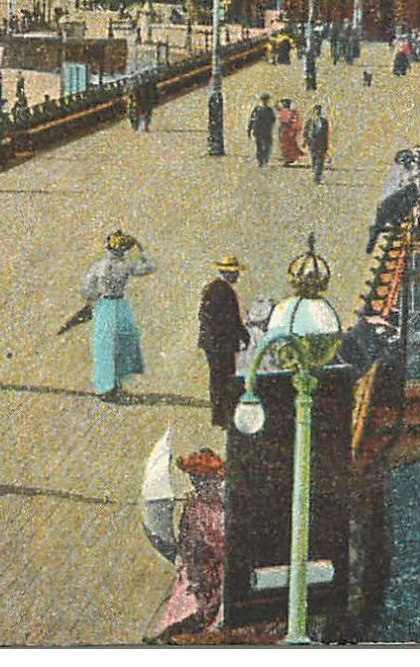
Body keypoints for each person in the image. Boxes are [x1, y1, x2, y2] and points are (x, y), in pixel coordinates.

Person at [146, 449, 228, 642]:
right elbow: (191, 538)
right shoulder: (194, 508)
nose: (207, 486)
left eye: (211, 481)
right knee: (187, 602)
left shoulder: (222, 506)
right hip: (198, 565)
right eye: (201, 482)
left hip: (218, 565)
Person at [81, 230, 155, 402]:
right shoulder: (126, 266)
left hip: (104, 305)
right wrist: (142, 249)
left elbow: (86, 289)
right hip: (119, 305)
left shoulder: (98, 266)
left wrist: (94, 299)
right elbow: (150, 267)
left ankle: (104, 388)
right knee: (120, 346)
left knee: (104, 346)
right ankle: (114, 386)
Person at [198, 256, 250, 428]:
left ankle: (218, 416)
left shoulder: (211, 288)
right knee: (225, 379)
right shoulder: (225, 292)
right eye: (235, 273)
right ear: (228, 273)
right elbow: (232, 320)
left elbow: (203, 317)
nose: (237, 276)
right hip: (222, 343)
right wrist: (245, 336)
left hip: (211, 342)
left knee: (216, 379)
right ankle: (225, 417)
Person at [303, 104, 331, 183]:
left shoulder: (324, 121)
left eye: (319, 110)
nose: (317, 112)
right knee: (314, 159)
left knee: (320, 160)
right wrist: (305, 141)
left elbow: (326, 134)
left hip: (321, 143)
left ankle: (317, 177)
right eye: (316, 110)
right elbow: (306, 131)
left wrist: (326, 145)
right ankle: (315, 173)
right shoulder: (310, 121)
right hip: (312, 143)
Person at [248, 94, 276, 167]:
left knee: (267, 146)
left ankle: (265, 159)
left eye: (266, 100)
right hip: (258, 130)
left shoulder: (269, 110)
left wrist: (270, 126)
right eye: (264, 100)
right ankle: (260, 160)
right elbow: (252, 119)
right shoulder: (257, 109)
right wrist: (249, 128)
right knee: (259, 146)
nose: (265, 102)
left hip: (266, 130)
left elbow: (273, 120)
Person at [277, 98, 304, 166]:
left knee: (290, 145)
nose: (283, 105)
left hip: (290, 130)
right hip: (284, 130)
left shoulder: (292, 112)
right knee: (284, 145)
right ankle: (287, 159)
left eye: (285, 103)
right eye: (283, 103)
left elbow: (294, 121)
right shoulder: (282, 111)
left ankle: (291, 159)